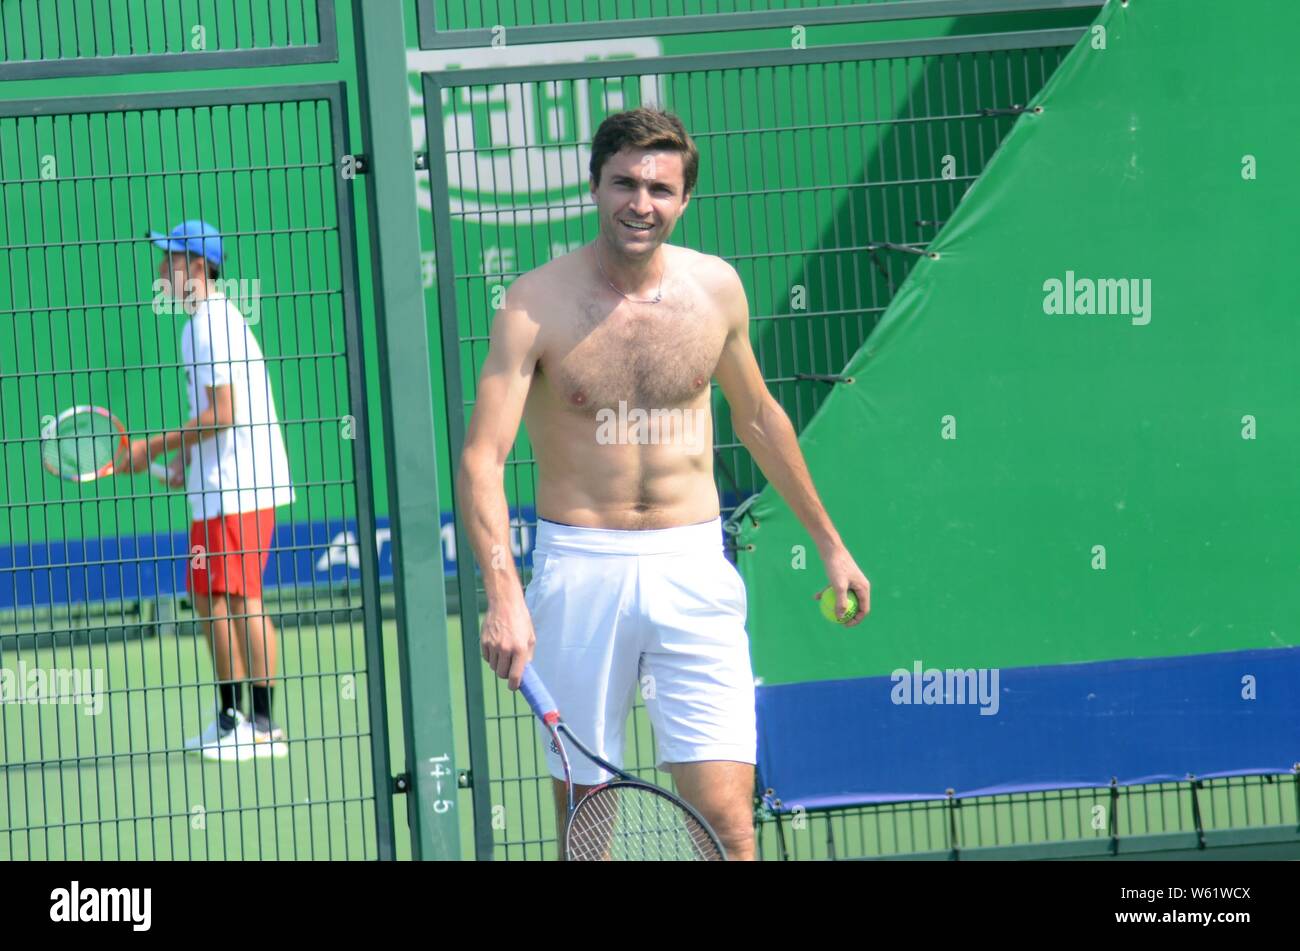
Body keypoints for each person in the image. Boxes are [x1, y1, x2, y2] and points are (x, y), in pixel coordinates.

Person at [457, 108, 870, 860]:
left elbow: (759, 419)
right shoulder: (533, 303)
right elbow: (483, 457)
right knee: (590, 822)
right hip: (580, 569)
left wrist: (832, 545)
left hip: (692, 566)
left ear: (684, 200)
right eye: (624, 182)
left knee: (730, 827)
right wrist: (504, 594)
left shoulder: (717, 290)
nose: (640, 202)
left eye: (659, 187)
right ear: (594, 186)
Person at [127, 219, 295, 762]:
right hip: (221, 486)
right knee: (209, 597)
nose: (161, 270)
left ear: (197, 268)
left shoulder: (210, 326)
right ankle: (233, 720)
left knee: (238, 599)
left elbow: (225, 412)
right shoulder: (203, 324)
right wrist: (185, 461)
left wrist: (152, 448)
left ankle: (262, 727)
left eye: (170, 260)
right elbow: (216, 417)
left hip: (239, 489)